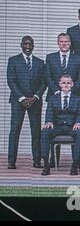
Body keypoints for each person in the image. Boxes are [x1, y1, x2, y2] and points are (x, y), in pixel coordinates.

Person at [7, 36, 46, 169]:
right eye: (25, 44)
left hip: (35, 101)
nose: (28, 46)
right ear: (21, 45)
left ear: (34, 46)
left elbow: (43, 82)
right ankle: (11, 161)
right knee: (15, 130)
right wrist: (22, 98)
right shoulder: (13, 61)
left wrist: (35, 97)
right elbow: (11, 81)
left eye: (30, 44)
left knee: (36, 131)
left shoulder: (40, 63)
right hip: (18, 101)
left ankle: (37, 160)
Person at [40, 75, 80, 176]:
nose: (66, 85)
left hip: (72, 126)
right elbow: (49, 113)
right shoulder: (53, 99)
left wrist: (78, 122)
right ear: (60, 84)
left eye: (68, 83)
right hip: (58, 127)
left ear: (72, 84)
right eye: (64, 83)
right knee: (45, 132)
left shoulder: (78, 99)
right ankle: (46, 164)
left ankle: (75, 164)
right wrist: (49, 121)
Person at [45, 33, 80, 99]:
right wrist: (56, 90)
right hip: (54, 94)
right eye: (61, 41)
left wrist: (71, 91)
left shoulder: (78, 58)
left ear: (70, 43)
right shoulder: (50, 57)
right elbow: (47, 76)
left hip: (73, 95)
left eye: (66, 41)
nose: (64, 44)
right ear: (58, 43)